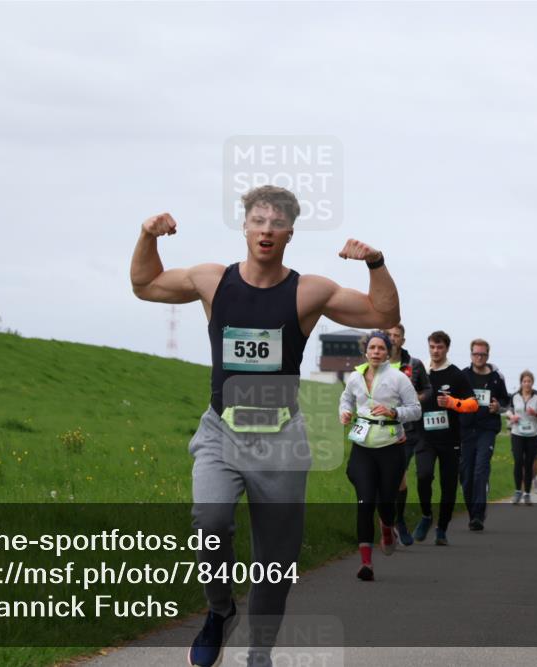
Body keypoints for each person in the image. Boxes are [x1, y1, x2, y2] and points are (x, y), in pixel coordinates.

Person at [130, 185, 401, 667]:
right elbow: (145, 284)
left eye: (277, 223)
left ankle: (259, 652)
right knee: (209, 522)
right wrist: (148, 235)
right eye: (259, 221)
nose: (267, 230)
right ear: (246, 227)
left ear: (289, 233)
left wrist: (375, 263)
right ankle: (219, 612)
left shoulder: (308, 290)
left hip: (280, 438)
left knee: (275, 560)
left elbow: (384, 314)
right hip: (221, 430)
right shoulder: (212, 280)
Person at [340, 331, 420, 581]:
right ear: (366, 351)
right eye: (372, 347)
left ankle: (387, 527)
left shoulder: (399, 378)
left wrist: (393, 412)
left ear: (388, 352)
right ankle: (366, 563)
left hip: (390, 446)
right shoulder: (355, 377)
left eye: (381, 348)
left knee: (386, 502)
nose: (376, 352)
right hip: (363, 446)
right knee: (364, 502)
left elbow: (415, 410)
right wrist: (344, 413)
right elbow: (345, 400)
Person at [413, 331, 478, 545]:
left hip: (450, 439)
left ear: (447, 348)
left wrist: (453, 403)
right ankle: (426, 515)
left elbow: (473, 404)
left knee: (449, 485)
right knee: (423, 475)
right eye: (432, 347)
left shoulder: (456, 375)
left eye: (439, 347)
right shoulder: (420, 372)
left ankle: (442, 528)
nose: (435, 351)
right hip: (425, 436)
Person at [386, 324, 433, 546]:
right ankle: (395, 521)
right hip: (387, 429)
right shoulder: (377, 364)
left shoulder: (414, 365)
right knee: (394, 478)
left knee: (411, 475)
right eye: (389, 335)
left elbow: (428, 389)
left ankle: (408, 519)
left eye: (396, 336)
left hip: (413, 429)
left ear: (403, 341)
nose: (392, 339)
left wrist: (417, 398)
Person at [459, 339, 510, 531]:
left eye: (482, 354)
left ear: (488, 356)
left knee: (481, 468)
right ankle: (473, 512)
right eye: (475, 354)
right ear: (471, 354)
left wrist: (498, 407)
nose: (478, 358)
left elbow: (506, 402)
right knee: (466, 474)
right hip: (466, 429)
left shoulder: (497, 377)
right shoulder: (463, 376)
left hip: (486, 429)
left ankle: (478, 515)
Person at [506, 370, 537, 506]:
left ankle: (527, 494)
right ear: (521, 382)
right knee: (518, 461)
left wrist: (536, 413)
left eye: (529, 381)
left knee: (529, 464)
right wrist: (512, 417)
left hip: (533, 435)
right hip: (517, 433)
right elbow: (508, 410)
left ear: (532, 382)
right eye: (524, 381)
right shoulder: (515, 396)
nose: (527, 384)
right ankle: (518, 491)